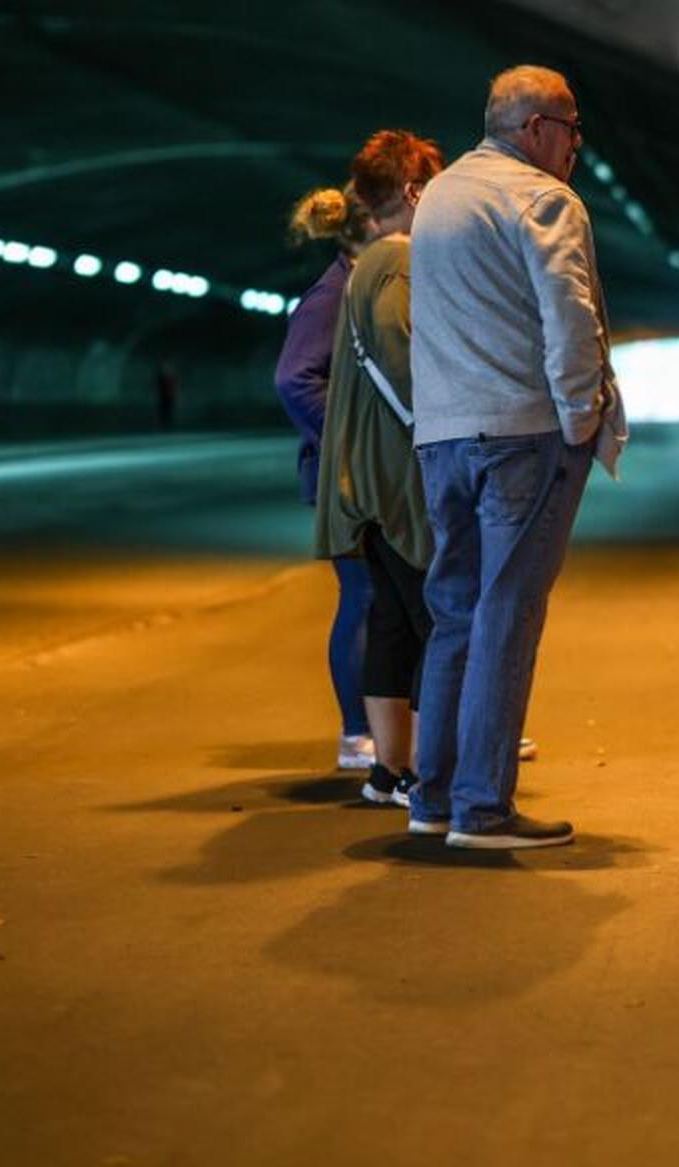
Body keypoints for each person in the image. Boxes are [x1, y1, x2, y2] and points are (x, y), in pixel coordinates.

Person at [407, 65, 628, 849]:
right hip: (522, 435)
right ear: (537, 129)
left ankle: (432, 797)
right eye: (572, 131)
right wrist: (580, 416)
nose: (576, 148)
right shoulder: (542, 198)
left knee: (456, 615)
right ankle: (484, 809)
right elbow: (568, 314)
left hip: (442, 437)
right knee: (507, 615)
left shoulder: (437, 198)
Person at [314, 130, 444, 807]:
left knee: (393, 622)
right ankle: (430, 771)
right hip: (397, 482)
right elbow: (402, 365)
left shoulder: (365, 263)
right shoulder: (397, 263)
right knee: (436, 622)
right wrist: (442, 432)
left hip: (363, 481)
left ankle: (390, 769)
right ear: (416, 192)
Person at [275, 181, 379, 771]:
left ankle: (397, 727)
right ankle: (357, 733)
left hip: (359, 471)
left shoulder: (366, 284)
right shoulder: (333, 294)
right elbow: (294, 380)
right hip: (344, 475)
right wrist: (350, 442)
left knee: (388, 599)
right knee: (363, 598)